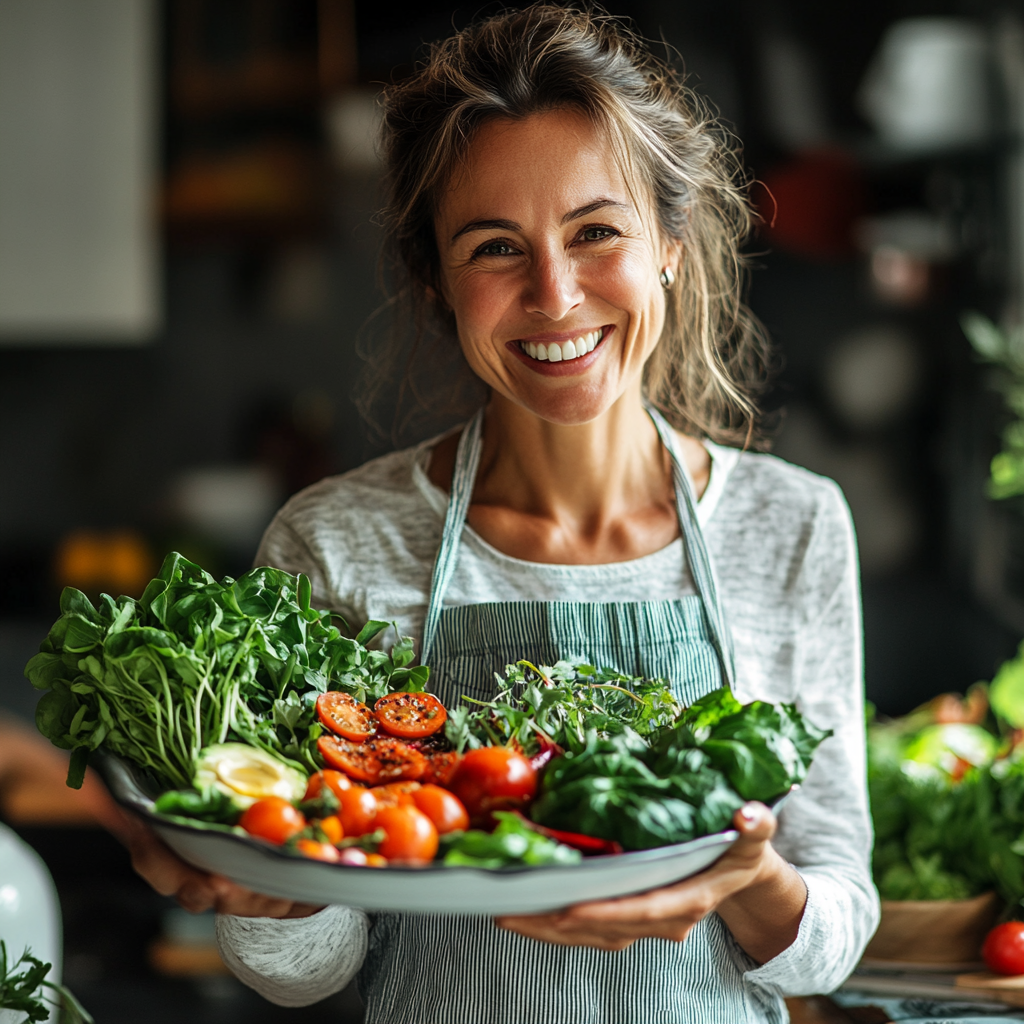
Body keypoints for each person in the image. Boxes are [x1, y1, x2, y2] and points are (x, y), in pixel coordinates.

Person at [125, 6, 879, 1022]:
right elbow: (302, 969)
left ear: (669, 243)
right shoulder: (337, 541)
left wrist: (749, 878)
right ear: (436, 282)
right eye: (493, 248)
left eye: (597, 231)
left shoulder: (791, 526)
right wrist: (268, 885)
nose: (555, 293)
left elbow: (832, 928)